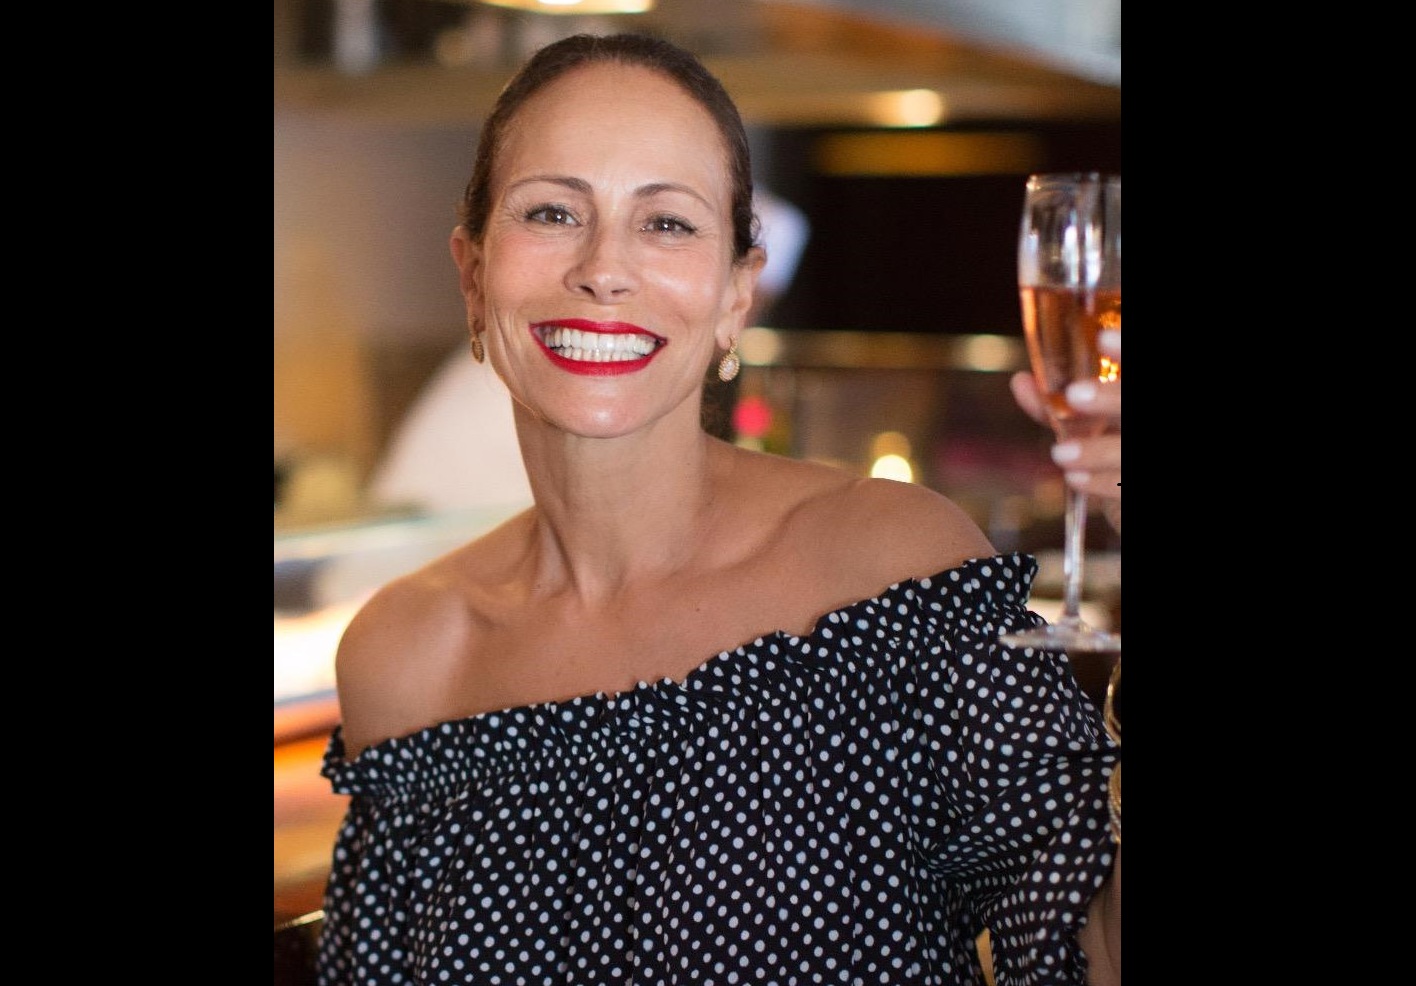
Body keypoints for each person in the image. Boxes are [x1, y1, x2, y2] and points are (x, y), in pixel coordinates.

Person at [315, 32, 1119, 986]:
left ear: (738, 295)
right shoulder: (404, 657)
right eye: (551, 212)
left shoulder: (892, 568)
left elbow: (1092, 953)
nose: (604, 268)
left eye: (667, 223)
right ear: (472, 272)